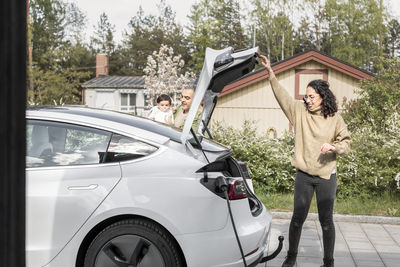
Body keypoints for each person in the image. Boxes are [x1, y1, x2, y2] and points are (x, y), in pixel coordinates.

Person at [259, 55, 351, 267]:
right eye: (306, 96)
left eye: (311, 96)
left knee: (326, 222)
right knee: (297, 219)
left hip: (327, 176)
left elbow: (346, 144)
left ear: (322, 96)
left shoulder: (335, 118)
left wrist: (334, 147)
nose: (307, 100)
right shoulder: (299, 112)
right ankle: (291, 258)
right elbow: (282, 97)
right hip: (304, 176)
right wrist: (270, 72)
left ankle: (328, 263)